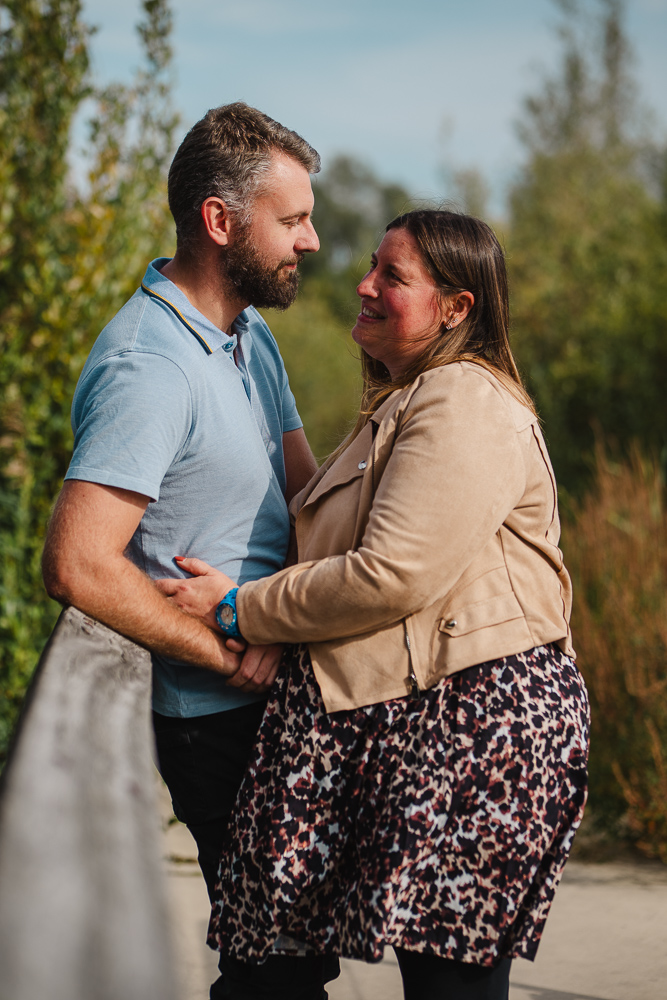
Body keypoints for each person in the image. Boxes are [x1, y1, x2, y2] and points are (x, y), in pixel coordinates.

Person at [157, 209, 591, 1000]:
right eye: (371, 265)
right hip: (426, 722)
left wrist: (239, 609)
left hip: (477, 730)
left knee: (448, 985)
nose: (364, 284)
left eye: (392, 276)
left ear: (455, 308)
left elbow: (390, 573)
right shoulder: (408, 400)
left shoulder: (461, 400)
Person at [42, 102, 342, 999]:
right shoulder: (151, 367)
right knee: (271, 973)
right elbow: (76, 562)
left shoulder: (249, 336)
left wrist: (275, 619)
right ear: (220, 221)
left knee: (294, 962)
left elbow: (305, 498)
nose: (311, 240)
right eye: (292, 220)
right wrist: (225, 649)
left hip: (274, 682)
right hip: (217, 718)